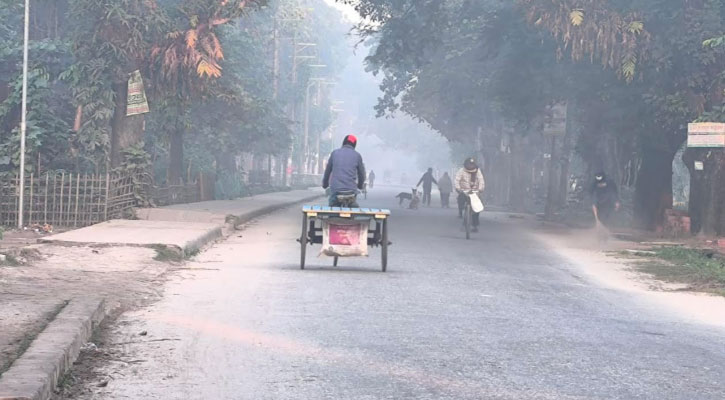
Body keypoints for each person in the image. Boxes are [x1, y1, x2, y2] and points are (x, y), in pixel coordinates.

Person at [322, 135, 366, 207]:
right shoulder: (357, 155)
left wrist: (325, 184)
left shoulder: (334, 153)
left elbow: (327, 171)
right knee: (353, 207)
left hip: (336, 189)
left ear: (343, 142)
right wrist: (360, 186)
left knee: (333, 207)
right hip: (351, 191)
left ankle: (333, 215)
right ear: (354, 145)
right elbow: (361, 174)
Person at [455, 158, 485, 232]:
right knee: (460, 199)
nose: (471, 166)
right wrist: (458, 188)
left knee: (477, 208)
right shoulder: (461, 171)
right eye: (469, 164)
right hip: (464, 190)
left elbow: (481, 180)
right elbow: (457, 180)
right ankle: (461, 212)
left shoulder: (477, 171)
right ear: (466, 164)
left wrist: (480, 189)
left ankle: (474, 225)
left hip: (475, 191)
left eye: (472, 164)